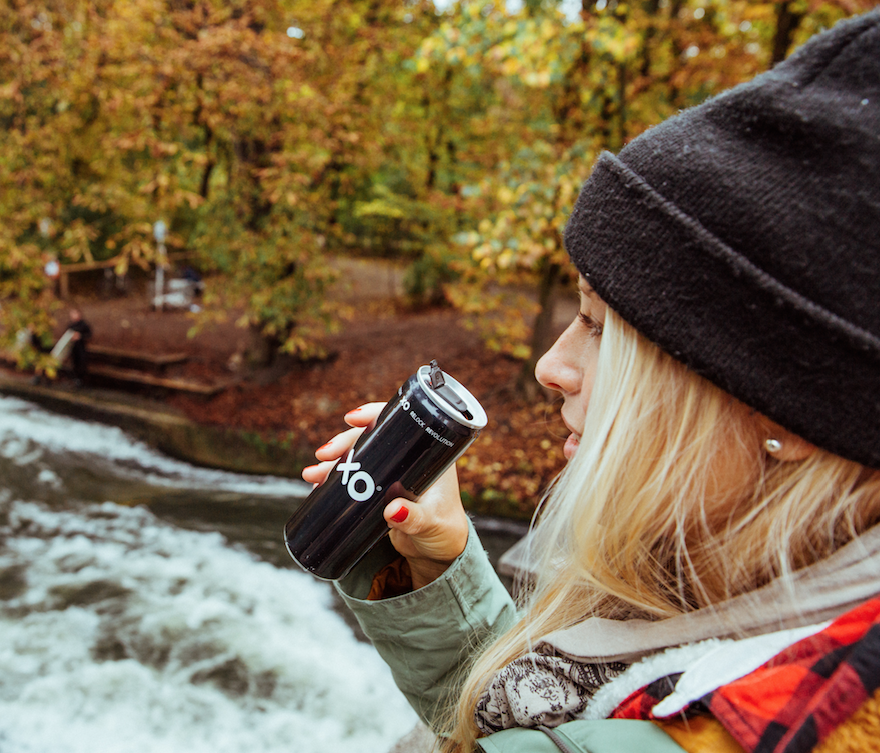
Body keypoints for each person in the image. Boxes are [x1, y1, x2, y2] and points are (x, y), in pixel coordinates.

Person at [303, 11, 880, 753]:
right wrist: (441, 575)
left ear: (795, 411)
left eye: (602, 327)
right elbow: (561, 723)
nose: (552, 365)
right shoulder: (757, 600)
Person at [63, 306, 92, 386]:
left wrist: (80, 336)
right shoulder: (70, 325)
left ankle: (81, 380)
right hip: (73, 348)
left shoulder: (84, 324)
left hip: (81, 348)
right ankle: (75, 379)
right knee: (74, 363)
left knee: (81, 363)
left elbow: (89, 335)